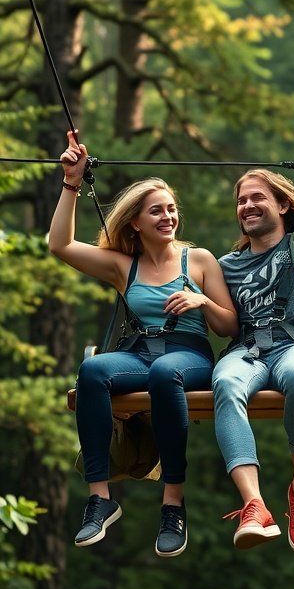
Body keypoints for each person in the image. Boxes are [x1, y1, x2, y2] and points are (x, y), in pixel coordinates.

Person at [49, 131, 238, 557]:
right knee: (93, 370)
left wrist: (202, 300)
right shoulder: (124, 267)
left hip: (188, 355)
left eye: (171, 209)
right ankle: (100, 498)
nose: (168, 217)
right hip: (138, 353)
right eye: (157, 211)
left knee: (165, 373)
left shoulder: (199, 260)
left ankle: (173, 502)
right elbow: (59, 245)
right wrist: (71, 183)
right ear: (135, 222)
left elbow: (228, 325)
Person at [212, 86, 294, 552]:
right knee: (224, 383)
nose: (247, 206)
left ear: (284, 205)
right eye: (241, 201)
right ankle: (254, 504)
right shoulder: (225, 266)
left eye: (257, 198)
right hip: (247, 351)